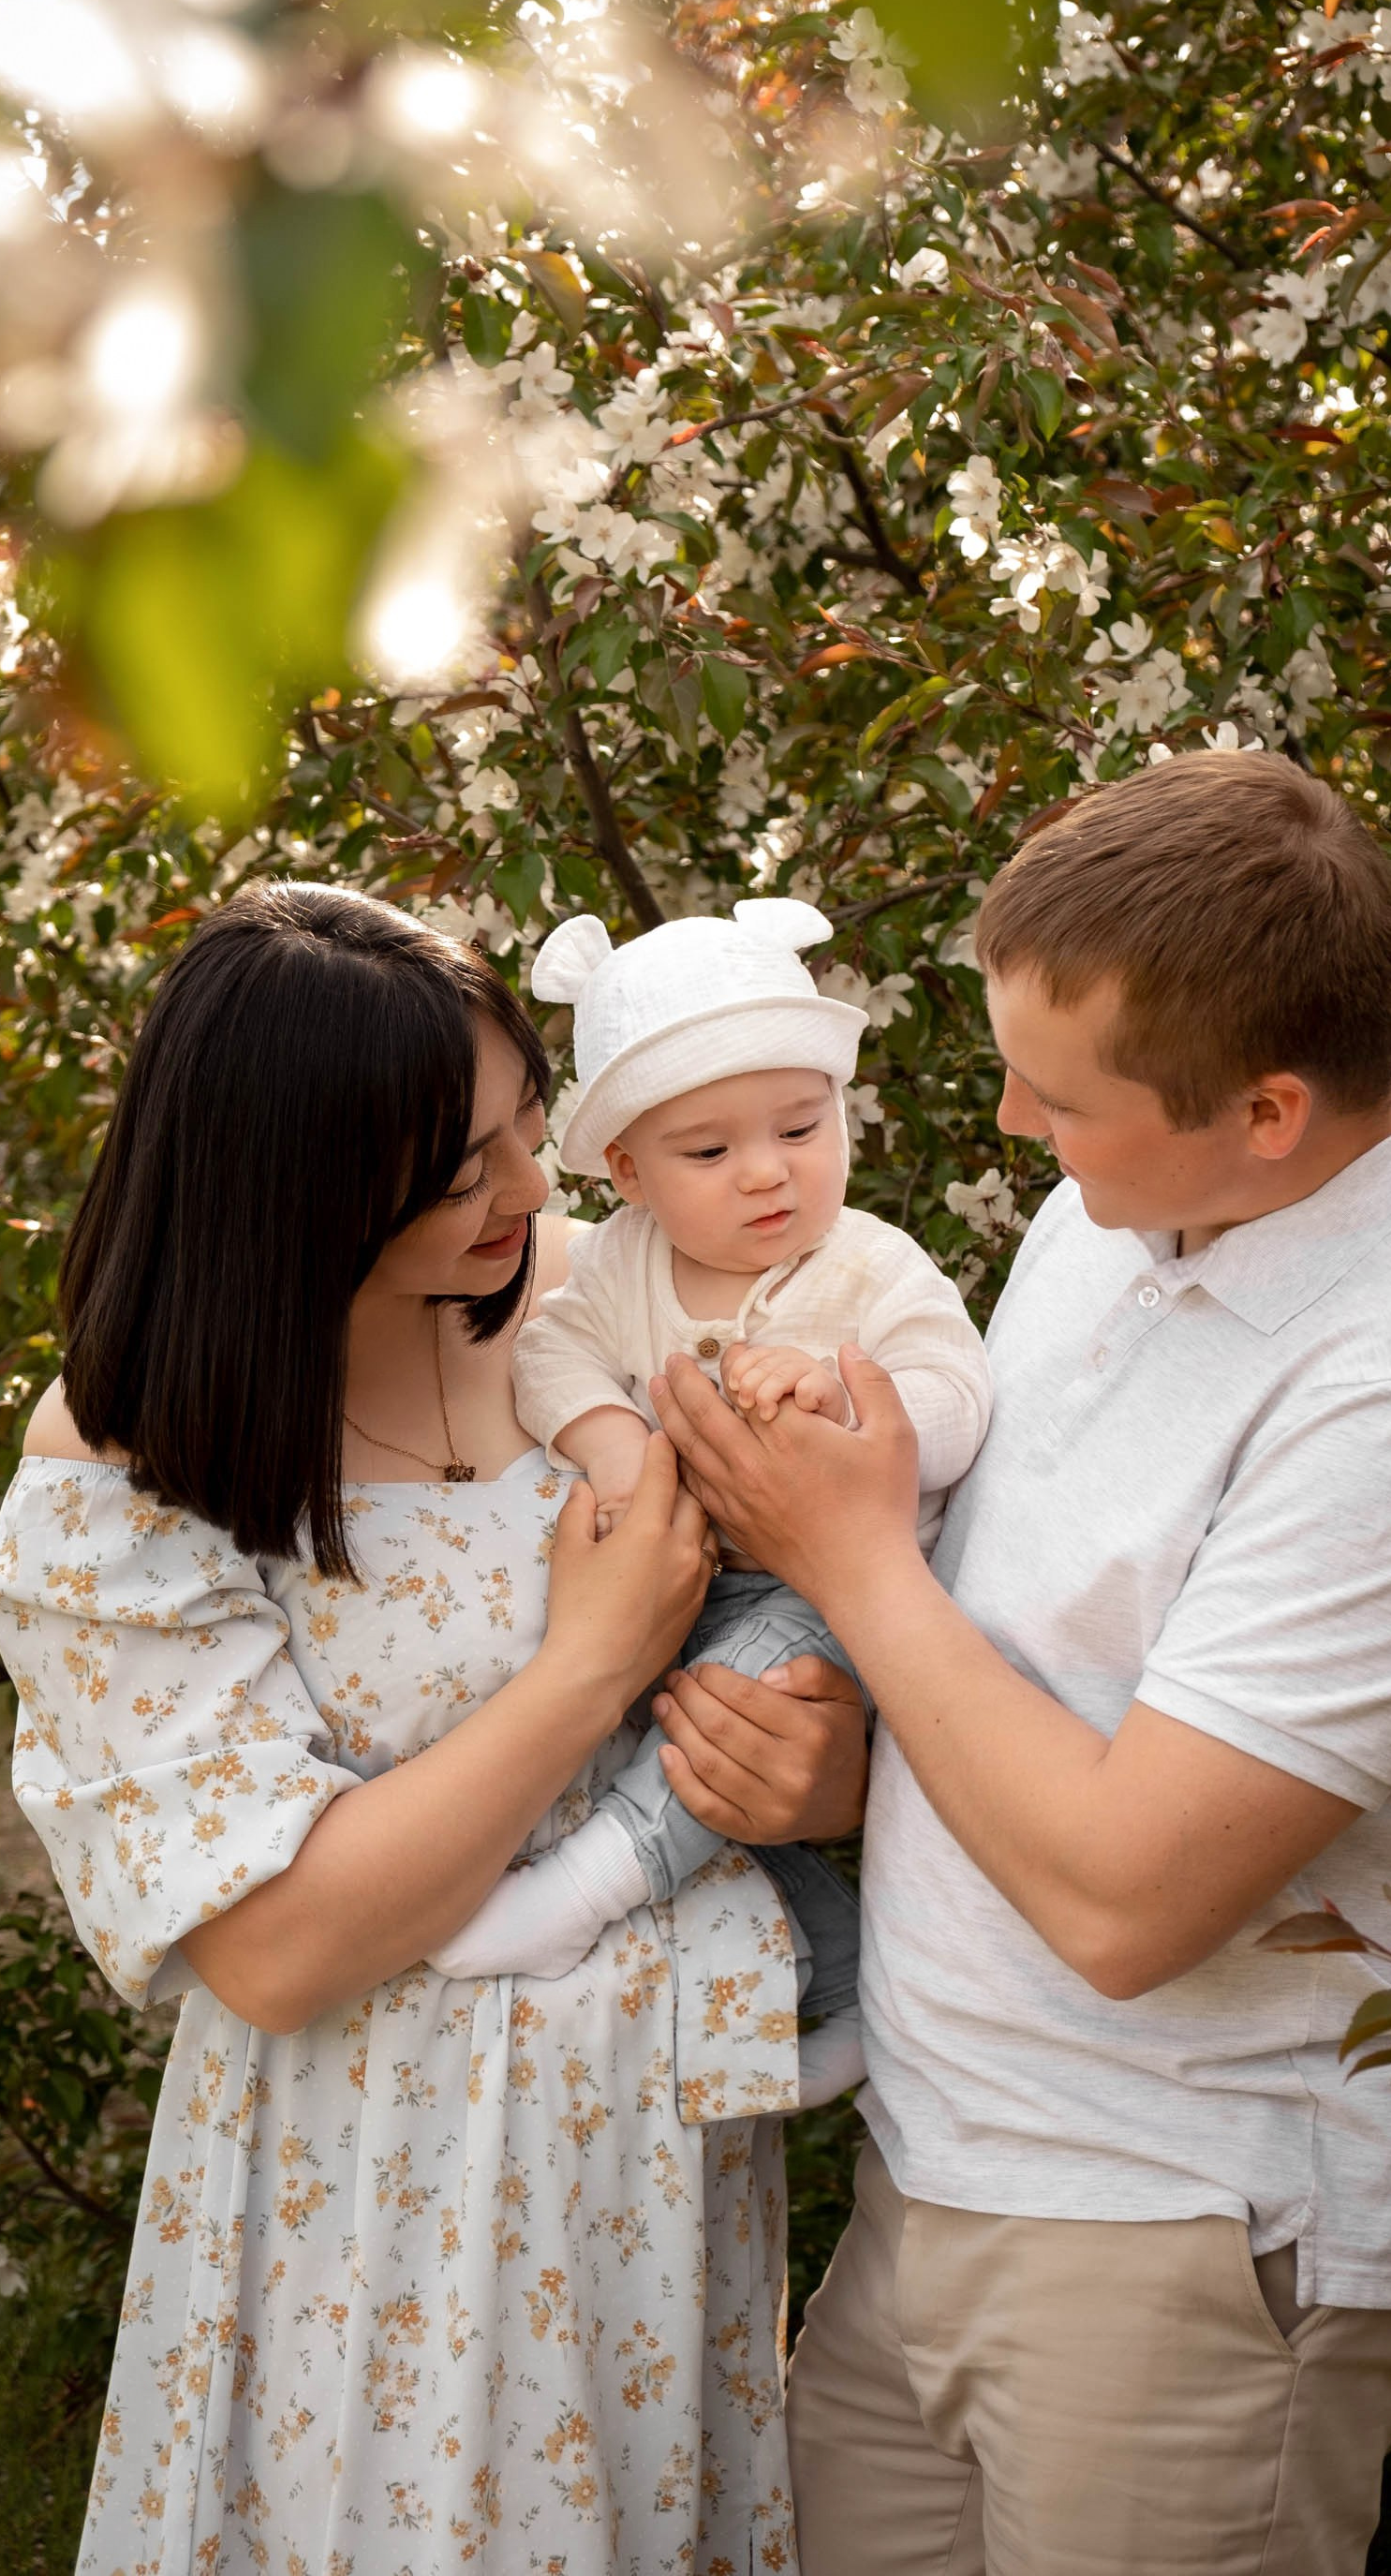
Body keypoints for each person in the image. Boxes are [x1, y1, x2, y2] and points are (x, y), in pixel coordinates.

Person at [648, 754, 1391, 2576]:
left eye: (1057, 1096)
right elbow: (1033, 1674)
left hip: (1183, 2239)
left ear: (1264, 1108)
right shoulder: (1129, 1207)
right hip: (941, 2174)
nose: (1012, 1126)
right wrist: (859, 1766)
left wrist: (839, 1545)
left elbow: (1125, 1901)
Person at [0, 881, 866, 2576]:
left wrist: (829, 1776)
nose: (532, 1194)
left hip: (648, 2178)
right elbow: (279, 1943)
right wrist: (586, 1670)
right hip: (359, 2196)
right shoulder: (135, 1454)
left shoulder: (617, 1315)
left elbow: (858, 1588)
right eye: (464, 1171)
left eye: (528, 1131)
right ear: (292, 1189)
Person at [424, 898, 991, 2106]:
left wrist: (852, 1405)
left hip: (830, 1586)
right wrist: (621, 1446)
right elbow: (548, 1360)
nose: (771, 1171)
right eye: (711, 1151)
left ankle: (577, 1899)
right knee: (706, 1773)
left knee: (729, 1716)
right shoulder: (624, 1261)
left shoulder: (870, 1266)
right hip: (691, 1582)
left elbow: (959, 1400)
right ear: (626, 1169)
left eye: (802, 1124)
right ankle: (846, 1981)